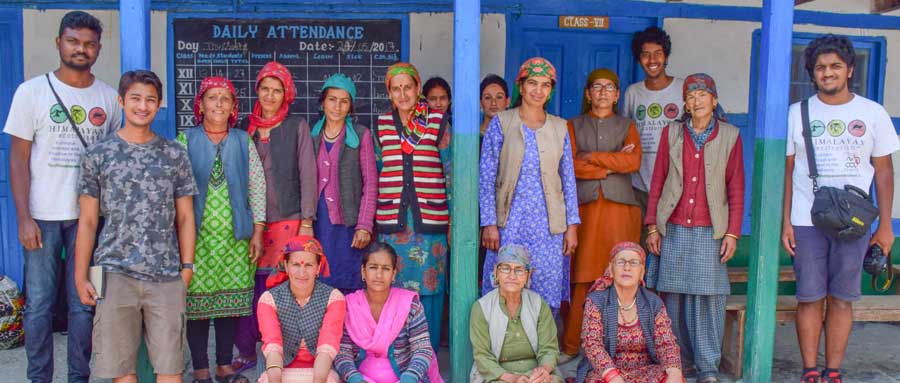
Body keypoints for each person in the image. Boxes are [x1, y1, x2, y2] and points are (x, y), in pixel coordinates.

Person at [2, 11, 121, 382]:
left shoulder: (108, 97)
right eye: (73, 41)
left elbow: (116, 158)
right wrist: (23, 218)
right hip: (42, 216)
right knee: (38, 305)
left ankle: (78, 377)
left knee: (84, 303)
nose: (80, 49)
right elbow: (18, 158)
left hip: (91, 219)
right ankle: (40, 377)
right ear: (59, 43)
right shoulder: (31, 92)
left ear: (98, 49)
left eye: (88, 44)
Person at [781, 35, 899, 383]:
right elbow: (786, 172)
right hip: (806, 220)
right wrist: (785, 221)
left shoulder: (872, 113)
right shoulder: (797, 113)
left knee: (843, 298)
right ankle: (810, 370)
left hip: (856, 223)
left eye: (834, 66)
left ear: (849, 69)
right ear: (812, 73)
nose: (827, 72)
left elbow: (884, 171)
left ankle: (833, 370)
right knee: (809, 297)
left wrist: (886, 226)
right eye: (820, 67)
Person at [73, 70, 197, 383]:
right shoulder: (98, 155)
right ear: (121, 101)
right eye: (135, 99)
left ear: (159, 105)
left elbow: (185, 216)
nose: (143, 106)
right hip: (114, 272)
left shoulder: (174, 154)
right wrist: (80, 275)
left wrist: (187, 267)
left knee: (171, 366)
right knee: (121, 369)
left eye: (150, 100)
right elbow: (87, 221)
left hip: (166, 274)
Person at [644, 74, 744, 383]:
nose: (697, 100)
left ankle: (708, 367)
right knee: (672, 298)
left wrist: (732, 233)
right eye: (691, 95)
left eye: (703, 95)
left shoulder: (730, 135)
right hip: (672, 226)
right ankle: (678, 363)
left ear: (714, 101)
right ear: (685, 103)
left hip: (710, 230)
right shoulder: (671, 134)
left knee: (708, 299)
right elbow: (658, 180)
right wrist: (652, 227)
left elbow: (736, 187)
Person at [176, 76, 266, 383]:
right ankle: (200, 367)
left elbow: (257, 186)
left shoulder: (243, 140)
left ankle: (224, 365)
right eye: (212, 98)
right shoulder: (185, 140)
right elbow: (175, 189)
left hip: (235, 238)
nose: (218, 104)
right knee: (197, 303)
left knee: (229, 302)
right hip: (195, 239)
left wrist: (257, 231)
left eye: (225, 99)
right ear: (200, 104)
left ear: (233, 108)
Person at [233, 61, 318, 373]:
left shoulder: (297, 127)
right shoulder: (245, 127)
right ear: (257, 91)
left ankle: (285, 351)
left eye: (277, 90)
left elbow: (309, 174)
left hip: (289, 220)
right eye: (265, 89)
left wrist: (307, 221)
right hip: (251, 222)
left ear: (287, 95)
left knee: (284, 284)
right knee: (249, 286)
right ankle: (247, 350)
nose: (270, 96)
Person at [479, 57, 580, 316]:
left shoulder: (560, 127)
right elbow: (487, 177)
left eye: (545, 85)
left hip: (549, 226)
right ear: (520, 87)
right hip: (509, 222)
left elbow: (568, 179)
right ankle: (503, 349)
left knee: (545, 285)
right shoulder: (501, 123)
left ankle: (541, 350)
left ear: (551, 90)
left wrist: (572, 227)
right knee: (506, 281)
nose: (538, 90)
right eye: (532, 83)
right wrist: (489, 223)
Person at [561, 68, 642, 360]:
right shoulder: (574, 124)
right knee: (581, 278)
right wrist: (612, 165)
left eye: (610, 87)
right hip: (584, 211)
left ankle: (619, 348)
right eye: (598, 87)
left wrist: (593, 158)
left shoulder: (626, 125)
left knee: (620, 276)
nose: (604, 92)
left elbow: (632, 161)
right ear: (588, 93)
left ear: (618, 94)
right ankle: (572, 346)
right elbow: (569, 165)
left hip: (620, 211)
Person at [374, 62, 451, 352]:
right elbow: (379, 169)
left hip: (429, 223)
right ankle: (399, 354)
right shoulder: (382, 124)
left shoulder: (437, 122)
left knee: (430, 289)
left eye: (408, 87)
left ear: (418, 89)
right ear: (390, 93)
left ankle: (426, 355)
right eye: (397, 89)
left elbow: (450, 171)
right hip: (393, 223)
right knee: (393, 289)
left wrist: (453, 220)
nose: (403, 94)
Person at [620, 26, 685, 288]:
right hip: (639, 185)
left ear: (666, 56)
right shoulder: (633, 92)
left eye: (658, 53)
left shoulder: (682, 89)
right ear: (639, 59)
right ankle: (640, 304)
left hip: (674, 186)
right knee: (640, 247)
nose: (652, 60)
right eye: (646, 55)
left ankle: (665, 307)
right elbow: (624, 130)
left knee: (670, 248)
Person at [334, 242, 444, 383]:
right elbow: (342, 353)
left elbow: (422, 349)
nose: (379, 275)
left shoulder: (410, 304)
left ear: (393, 274)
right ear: (363, 271)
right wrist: (356, 379)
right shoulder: (349, 306)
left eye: (385, 269)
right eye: (373, 267)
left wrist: (409, 378)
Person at [575, 242, 683, 383]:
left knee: (671, 378)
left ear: (642, 272)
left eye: (633, 263)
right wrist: (613, 377)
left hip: (645, 371)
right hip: (605, 372)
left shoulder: (653, 303)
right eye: (620, 262)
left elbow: (666, 343)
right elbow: (592, 344)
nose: (627, 267)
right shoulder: (596, 301)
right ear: (611, 270)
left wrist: (674, 373)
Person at [310, 74, 377, 295]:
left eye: (344, 101)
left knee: (348, 284)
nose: (337, 106)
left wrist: (364, 225)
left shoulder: (361, 136)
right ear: (323, 102)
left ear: (351, 106)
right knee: (318, 282)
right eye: (332, 99)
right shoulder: (312, 135)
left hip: (349, 227)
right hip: (318, 224)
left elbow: (370, 183)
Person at [257, 236, 346, 383]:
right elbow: (273, 346)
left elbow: (327, 346)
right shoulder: (268, 299)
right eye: (296, 264)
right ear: (286, 266)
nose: (302, 272)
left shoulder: (334, 298)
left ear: (318, 267)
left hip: (320, 371)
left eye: (309, 265)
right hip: (279, 368)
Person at [470, 244, 562, 383]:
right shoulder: (481, 308)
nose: (512, 276)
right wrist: (513, 379)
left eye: (519, 270)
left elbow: (549, 348)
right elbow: (482, 357)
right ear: (496, 272)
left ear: (528, 275)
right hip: (499, 376)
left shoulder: (538, 304)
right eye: (505, 268)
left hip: (536, 372)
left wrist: (543, 371)